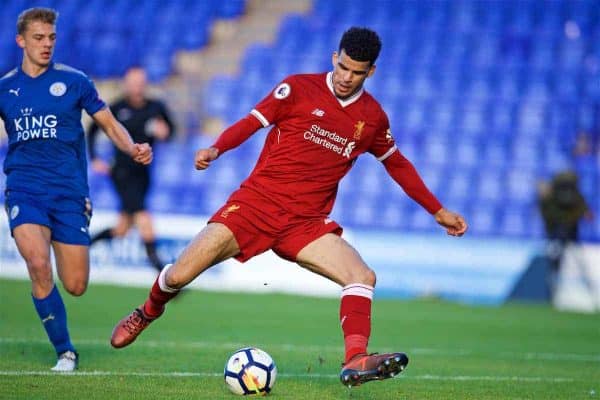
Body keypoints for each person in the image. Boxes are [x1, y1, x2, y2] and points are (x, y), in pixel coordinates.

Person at [110, 27, 468, 387]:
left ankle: (356, 358)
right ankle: (147, 312)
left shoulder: (372, 118)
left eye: (356, 72)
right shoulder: (297, 88)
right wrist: (217, 148)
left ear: (370, 72)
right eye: (343, 67)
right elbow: (252, 121)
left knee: (363, 276)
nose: (346, 77)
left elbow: (397, 163)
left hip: (306, 223)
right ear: (334, 58)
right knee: (178, 276)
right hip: (254, 206)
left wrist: (437, 211)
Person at [0, 7, 153, 372]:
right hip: (25, 189)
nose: (46, 44)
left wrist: (131, 148)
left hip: (69, 194)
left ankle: (63, 333)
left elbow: (109, 122)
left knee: (76, 284)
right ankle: (65, 352)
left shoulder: (75, 81)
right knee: (38, 265)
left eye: (51, 37)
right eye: (38, 38)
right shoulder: (5, 89)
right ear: (21, 41)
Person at [87, 66, 175, 272]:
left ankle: (82, 247)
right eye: (133, 83)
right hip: (122, 172)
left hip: (143, 174)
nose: (137, 87)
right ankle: (166, 277)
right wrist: (95, 158)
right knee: (144, 220)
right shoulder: (116, 108)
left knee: (122, 229)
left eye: (140, 83)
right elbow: (92, 130)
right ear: (126, 84)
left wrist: (165, 132)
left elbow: (172, 131)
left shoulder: (156, 107)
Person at [538, 170, 592, 294]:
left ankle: (590, 289)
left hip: (571, 234)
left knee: (578, 261)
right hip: (557, 235)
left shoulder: (576, 199)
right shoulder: (549, 200)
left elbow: (585, 212)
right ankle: (553, 291)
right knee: (555, 261)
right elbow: (547, 216)